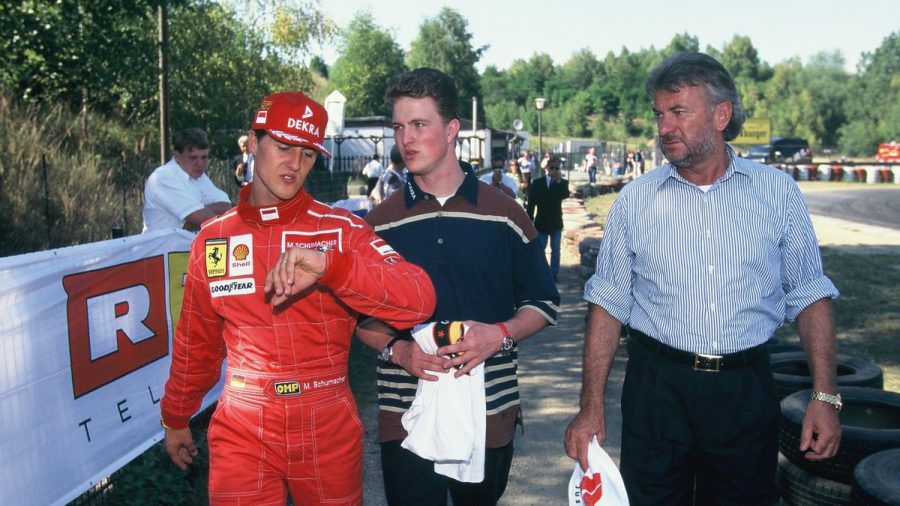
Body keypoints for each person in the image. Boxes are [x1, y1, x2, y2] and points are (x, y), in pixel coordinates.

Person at [564, 52, 842, 505]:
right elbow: (608, 303)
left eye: (678, 112)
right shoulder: (635, 201)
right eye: (659, 114)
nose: (663, 128)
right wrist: (589, 407)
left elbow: (810, 294)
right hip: (656, 390)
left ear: (721, 115)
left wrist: (825, 397)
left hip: (744, 391)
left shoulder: (777, 193)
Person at [160, 91, 436, 505]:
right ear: (253, 144)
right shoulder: (213, 238)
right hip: (243, 420)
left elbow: (419, 298)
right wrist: (176, 415)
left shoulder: (341, 229)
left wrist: (334, 268)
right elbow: (196, 341)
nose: (294, 164)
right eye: (283, 147)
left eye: (307, 153)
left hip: (326, 415)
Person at [357, 67, 560, 505]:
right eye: (398, 127)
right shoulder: (378, 224)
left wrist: (498, 334)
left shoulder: (505, 214)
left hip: (489, 409)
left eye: (418, 125)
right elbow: (359, 320)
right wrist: (400, 352)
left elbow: (543, 303)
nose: (405, 139)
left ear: (451, 130)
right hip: (406, 413)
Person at [142, 128, 231, 233]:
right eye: (193, 158)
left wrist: (196, 212)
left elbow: (227, 207)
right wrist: (197, 214)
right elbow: (204, 218)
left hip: (184, 247)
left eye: (204, 157)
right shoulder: (163, 177)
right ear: (177, 156)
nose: (200, 164)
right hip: (162, 248)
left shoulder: (198, 176)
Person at [526, 156, 569, 282]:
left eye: (557, 168)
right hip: (541, 222)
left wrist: (559, 181)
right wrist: (529, 220)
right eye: (552, 168)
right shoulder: (537, 182)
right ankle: (540, 272)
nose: (554, 170)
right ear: (547, 168)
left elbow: (565, 195)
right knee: (540, 248)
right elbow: (531, 203)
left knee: (556, 249)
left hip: (556, 222)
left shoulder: (562, 183)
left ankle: (553, 273)